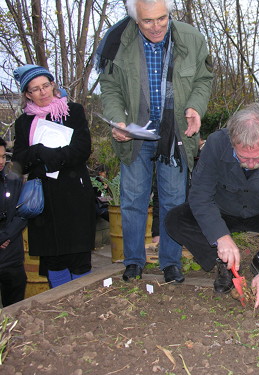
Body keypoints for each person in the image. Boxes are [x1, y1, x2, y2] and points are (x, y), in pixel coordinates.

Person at [96, 0, 213, 282]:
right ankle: (134, 261)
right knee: (133, 200)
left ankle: (170, 262)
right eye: (148, 21)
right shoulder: (116, 42)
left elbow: (203, 79)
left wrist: (196, 108)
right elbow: (109, 88)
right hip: (135, 134)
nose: (157, 26)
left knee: (174, 200)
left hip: (175, 135)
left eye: (162, 18)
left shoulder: (192, 38)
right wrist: (117, 120)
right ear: (136, 20)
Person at [166, 103, 259, 308]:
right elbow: (200, 196)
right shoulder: (216, 144)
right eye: (244, 157)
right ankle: (224, 263)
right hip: (223, 211)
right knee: (176, 219)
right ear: (232, 141)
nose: (252, 163)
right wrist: (220, 237)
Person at [12, 64, 96, 288]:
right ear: (28, 94)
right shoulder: (23, 123)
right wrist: (37, 151)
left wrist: (49, 155)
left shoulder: (73, 111)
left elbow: (82, 149)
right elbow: (19, 161)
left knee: (78, 256)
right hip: (44, 199)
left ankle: (81, 302)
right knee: (53, 258)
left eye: (46, 85)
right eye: (36, 89)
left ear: (53, 85)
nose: (43, 92)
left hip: (74, 193)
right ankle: (59, 305)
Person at [0, 138, 28, 306]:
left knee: (15, 305)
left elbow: (23, 211)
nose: (1, 161)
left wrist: (6, 235)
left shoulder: (13, 180)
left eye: (3, 156)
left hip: (12, 255)